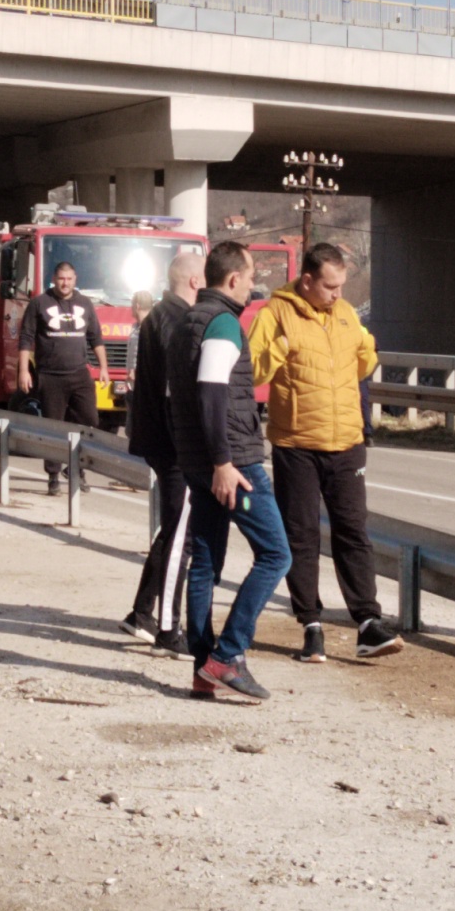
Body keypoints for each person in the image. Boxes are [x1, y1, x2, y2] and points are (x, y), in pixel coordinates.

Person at [250, 243, 401, 662]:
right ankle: (311, 624)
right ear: (308, 281)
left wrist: (368, 353)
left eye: (341, 286)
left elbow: (357, 367)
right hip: (296, 444)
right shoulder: (274, 313)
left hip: (347, 442)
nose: (337, 294)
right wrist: (280, 349)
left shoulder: (347, 314)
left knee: (353, 532)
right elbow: (253, 370)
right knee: (301, 536)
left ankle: (368, 623)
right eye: (330, 287)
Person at [169, 241, 292, 702]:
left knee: (205, 563)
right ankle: (228, 655)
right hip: (232, 464)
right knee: (277, 554)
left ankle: (203, 670)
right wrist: (223, 462)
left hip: (199, 461)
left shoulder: (188, 320)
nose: (254, 282)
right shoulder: (222, 322)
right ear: (234, 279)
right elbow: (211, 394)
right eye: (252, 274)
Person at [119, 253, 202, 658]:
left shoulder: (157, 316)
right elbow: (175, 390)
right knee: (180, 538)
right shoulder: (176, 322)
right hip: (173, 446)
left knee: (172, 530)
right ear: (193, 282)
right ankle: (169, 627)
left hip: (158, 439)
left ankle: (142, 612)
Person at [17, 260, 109, 495]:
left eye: (69, 279)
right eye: (61, 278)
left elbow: (95, 338)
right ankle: (53, 476)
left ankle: (76, 468)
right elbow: (26, 338)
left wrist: (104, 368)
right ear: (54, 279)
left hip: (79, 374)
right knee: (54, 427)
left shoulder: (84, 303)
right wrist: (24, 371)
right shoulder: (39, 303)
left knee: (90, 421)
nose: (65, 283)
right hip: (50, 375)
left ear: (75, 280)